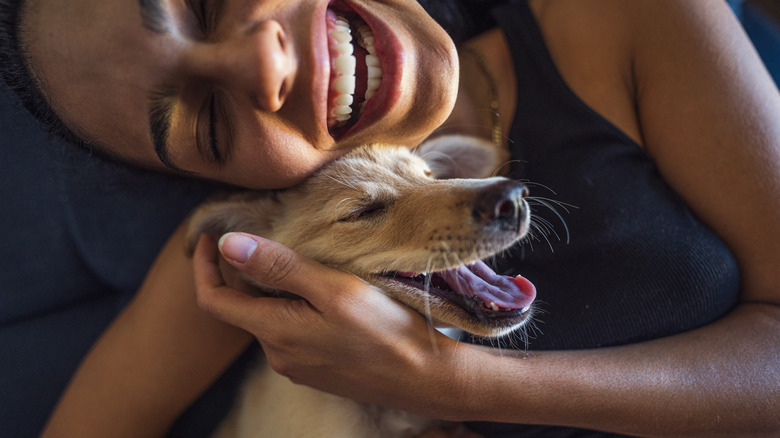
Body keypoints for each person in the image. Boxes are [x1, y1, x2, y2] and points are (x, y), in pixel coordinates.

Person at [1, 0, 778, 437]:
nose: (263, 65)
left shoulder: (625, 19)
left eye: (203, 3)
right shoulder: (260, 248)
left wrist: (460, 384)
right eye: (208, 126)